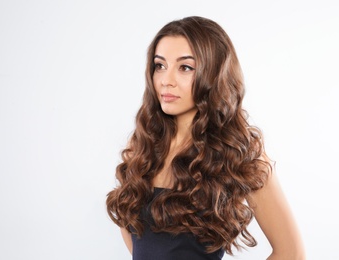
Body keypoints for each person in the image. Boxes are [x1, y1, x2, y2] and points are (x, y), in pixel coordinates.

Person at [106, 16, 305, 260]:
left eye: (185, 68)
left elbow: (291, 253)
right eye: (160, 65)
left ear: (213, 74)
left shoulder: (240, 154)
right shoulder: (143, 147)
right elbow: (138, 242)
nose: (166, 81)